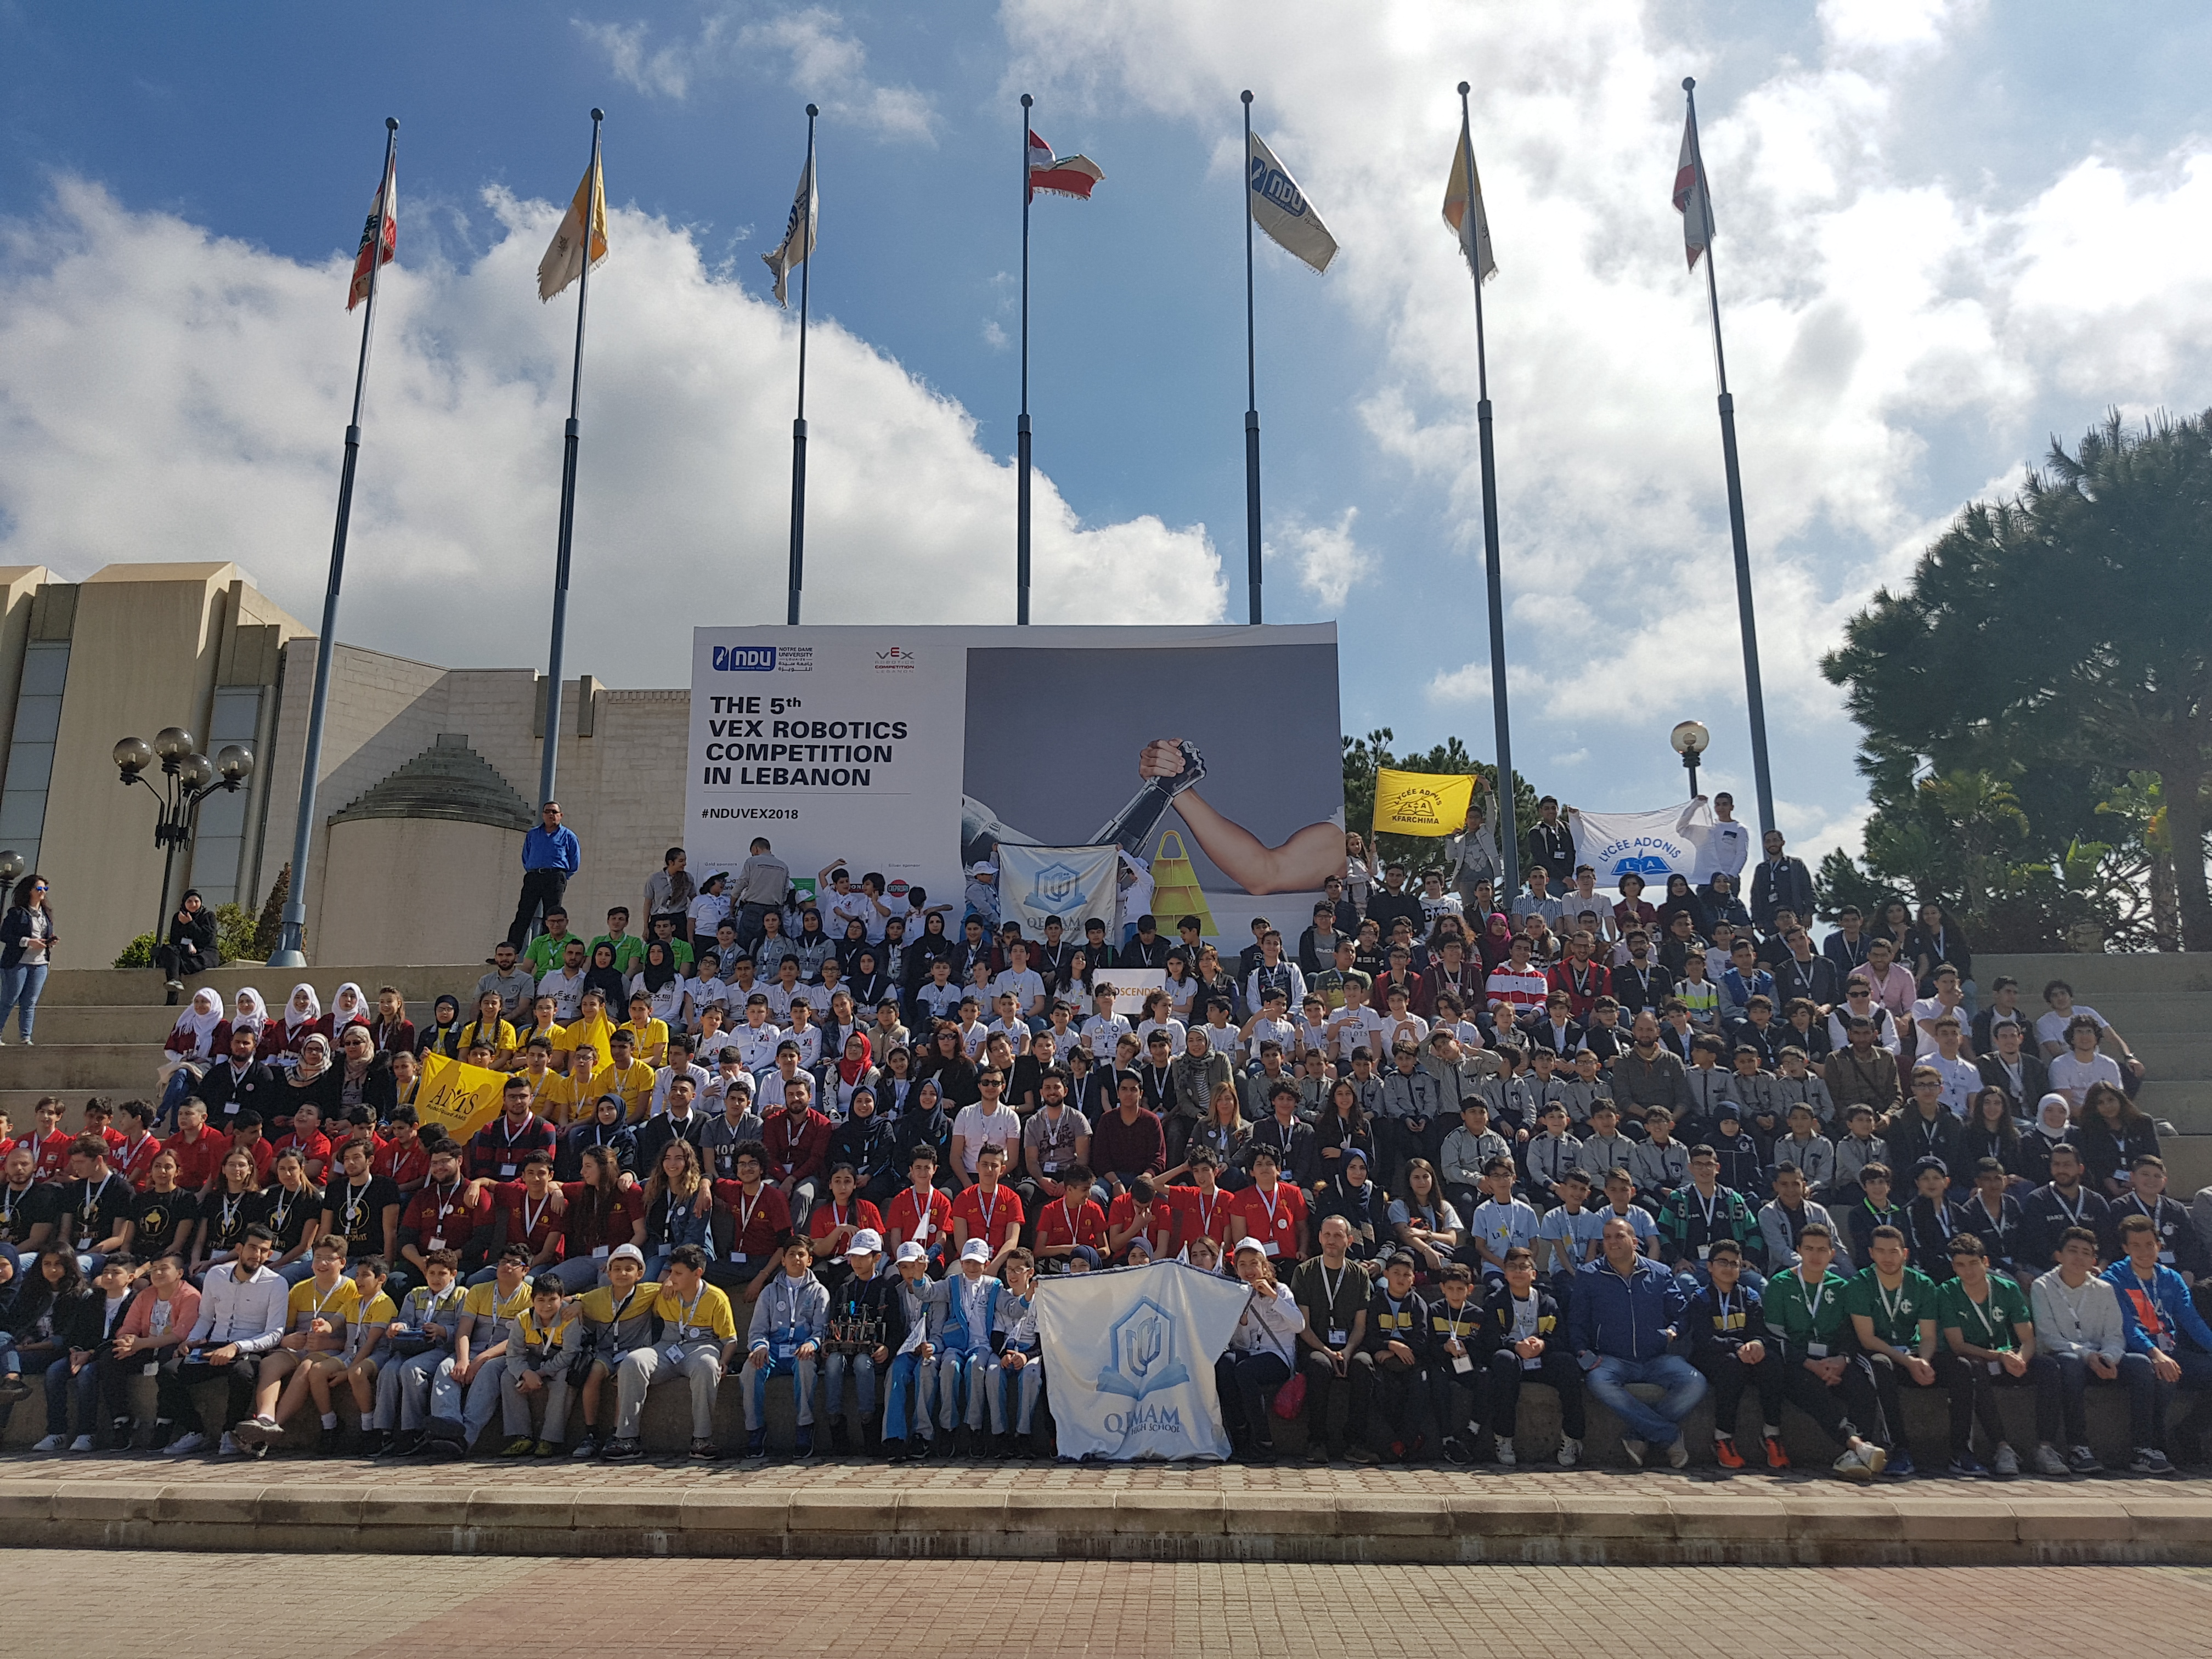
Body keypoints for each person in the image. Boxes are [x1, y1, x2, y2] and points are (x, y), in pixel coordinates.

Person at [1569, 1214, 1706, 1467]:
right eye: (1607, 1238)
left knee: (1695, 1383)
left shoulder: (1661, 1273)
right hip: (1612, 1359)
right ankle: (1669, 1435)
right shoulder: (1589, 1275)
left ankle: (1638, 1435)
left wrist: (1674, 1330)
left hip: (1656, 1358)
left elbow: (1682, 1312)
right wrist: (1584, 1355)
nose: (1612, 1242)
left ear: (1635, 1241)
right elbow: (1577, 1322)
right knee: (1597, 1381)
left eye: (1619, 1236)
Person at [1757, 1222, 1888, 1479]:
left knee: (1862, 1384)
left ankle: (1854, 1456)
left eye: (1821, 1250)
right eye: (1809, 1249)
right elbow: (1773, 1335)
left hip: (1834, 1360)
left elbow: (1851, 1333)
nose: (1815, 1255)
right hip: (1797, 1362)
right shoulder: (1780, 1285)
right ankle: (1858, 1446)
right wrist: (1808, 1363)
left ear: (1831, 1254)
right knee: (1813, 1389)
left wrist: (1843, 1359)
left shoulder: (1841, 1287)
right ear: (1799, 1251)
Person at [1935, 1231, 2065, 1478]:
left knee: (2049, 1367)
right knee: (1973, 1367)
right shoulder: (1946, 1292)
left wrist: (2020, 1358)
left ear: (1985, 1262)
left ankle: (2046, 1448)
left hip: (2008, 1358)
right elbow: (1957, 1345)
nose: (1969, 1271)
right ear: (1953, 1267)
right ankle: (2002, 1448)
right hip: (1981, 1359)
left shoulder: (2007, 1289)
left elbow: (2028, 1339)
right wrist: (1999, 1357)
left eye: (1974, 1263)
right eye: (1960, 1266)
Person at [157, 1224, 289, 1457]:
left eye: (263, 1251)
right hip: (212, 1346)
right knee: (169, 1372)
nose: (256, 1255)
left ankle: (230, 1433)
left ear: (269, 1255)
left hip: (249, 1347)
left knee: (243, 1374)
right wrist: (193, 1340)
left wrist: (237, 1347)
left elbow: (275, 1333)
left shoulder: (277, 1283)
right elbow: (206, 1317)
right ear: (239, 1248)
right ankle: (195, 1432)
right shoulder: (216, 1276)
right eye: (252, 1248)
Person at [2032, 1225, 2143, 1475]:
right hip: (2063, 1357)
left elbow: (2114, 1334)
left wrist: (2110, 1358)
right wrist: (2087, 1355)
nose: (2078, 1257)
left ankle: (2145, 1448)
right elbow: (2048, 1337)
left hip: (2100, 1356)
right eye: (2072, 1251)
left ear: (2093, 1260)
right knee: (2070, 1363)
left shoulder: (2104, 1289)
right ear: (2058, 1255)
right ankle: (2077, 1447)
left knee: (2141, 1366)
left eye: (2085, 1253)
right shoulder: (2043, 1286)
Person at [2106, 1212, 2212, 1466]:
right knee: (2161, 1375)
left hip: (2170, 1352)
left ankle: (2189, 1430)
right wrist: (2155, 1353)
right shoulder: (2112, 1279)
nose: (2144, 1252)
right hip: (2136, 1353)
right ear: (2125, 1248)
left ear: (2159, 1246)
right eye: (2136, 1246)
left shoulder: (2171, 1278)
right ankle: (2146, 1446)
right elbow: (2126, 1328)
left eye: (2149, 1245)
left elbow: (2193, 1322)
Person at [1478, 1245, 1584, 1467]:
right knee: (1503, 1360)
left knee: (1568, 1364)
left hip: (1540, 1360)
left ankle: (1572, 1436)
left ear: (1533, 1274)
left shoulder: (1548, 1302)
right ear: (1505, 1273)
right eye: (1512, 1267)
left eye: (1524, 1267)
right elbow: (1488, 1341)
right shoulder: (1495, 1301)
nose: (1518, 1272)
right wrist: (1516, 1346)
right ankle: (1504, 1437)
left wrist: (1543, 1344)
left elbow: (1562, 1340)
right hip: (1513, 1360)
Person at [1688, 1237, 1782, 1468]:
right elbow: (1703, 1339)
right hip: (1713, 1358)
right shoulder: (1700, 1298)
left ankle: (1772, 1433)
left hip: (1744, 1355)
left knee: (1772, 1362)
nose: (1729, 1268)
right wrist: (1737, 1346)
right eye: (1723, 1262)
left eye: (1735, 1264)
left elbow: (1759, 1332)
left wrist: (1757, 1344)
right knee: (1731, 1365)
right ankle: (1723, 1437)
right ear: (1710, 1266)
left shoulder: (1750, 1296)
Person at [1290, 1215, 1373, 1463]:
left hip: (1350, 1345)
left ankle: (1355, 1442)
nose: (1331, 1240)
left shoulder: (1359, 1275)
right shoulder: (1305, 1272)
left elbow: (1361, 1325)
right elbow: (1302, 1325)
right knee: (1319, 1366)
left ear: (1349, 1240)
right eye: (1327, 1235)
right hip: (1316, 1345)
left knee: (1364, 1366)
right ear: (1319, 1238)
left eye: (1338, 1235)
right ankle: (1317, 1441)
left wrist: (1347, 1351)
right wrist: (1327, 1351)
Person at [1218, 1238, 1303, 1463]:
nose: (1249, 1270)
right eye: (1243, 1265)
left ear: (1264, 1265)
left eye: (1254, 1263)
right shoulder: (1238, 1294)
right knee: (1225, 1364)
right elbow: (1241, 1344)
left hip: (1278, 1355)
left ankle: (1264, 1443)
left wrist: (1274, 1298)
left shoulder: (1281, 1290)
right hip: (1253, 1354)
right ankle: (1241, 1435)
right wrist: (1242, 1324)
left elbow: (1299, 1325)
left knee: (1245, 1371)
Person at [509, 801, 580, 951]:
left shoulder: (569, 836)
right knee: (523, 914)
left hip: (555, 877)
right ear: (543, 815)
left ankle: (547, 952)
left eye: (554, 812)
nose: (551, 815)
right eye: (548, 812)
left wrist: (562, 876)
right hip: (534, 877)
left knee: (552, 916)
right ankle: (511, 951)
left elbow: (575, 861)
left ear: (561, 816)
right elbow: (526, 857)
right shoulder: (533, 834)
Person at [0, 872, 57, 1045]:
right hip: (18, 963)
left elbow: (44, 934)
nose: (43, 891)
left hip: (40, 964)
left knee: (30, 1002)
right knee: (10, 999)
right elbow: (4, 935)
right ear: (30, 891)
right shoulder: (17, 913)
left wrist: (49, 942)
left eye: (45, 888)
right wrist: (28, 942)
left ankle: (26, 1037)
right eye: (39, 888)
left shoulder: (46, 914)